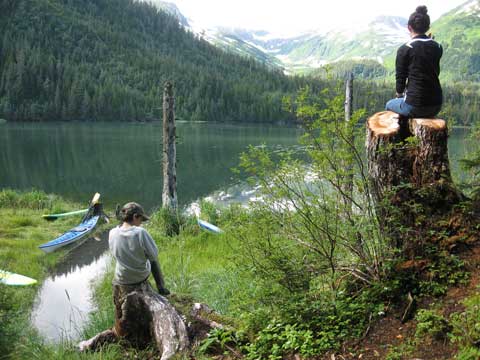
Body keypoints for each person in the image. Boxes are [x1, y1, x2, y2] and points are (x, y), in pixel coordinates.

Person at [109, 202, 170, 334]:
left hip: (121, 278)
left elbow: (114, 255)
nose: (141, 223)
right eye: (141, 219)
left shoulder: (113, 232)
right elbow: (154, 255)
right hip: (139, 277)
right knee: (153, 261)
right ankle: (161, 288)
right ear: (135, 216)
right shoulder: (140, 233)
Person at [386, 5, 443, 119]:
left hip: (415, 105)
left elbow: (400, 79)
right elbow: (432, 71)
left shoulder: (405, 49)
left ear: (409, 27)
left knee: (389, 105)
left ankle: (402, 136)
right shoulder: (437, 46)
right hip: (436, 105)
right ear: (428, 27)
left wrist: (399, 95)